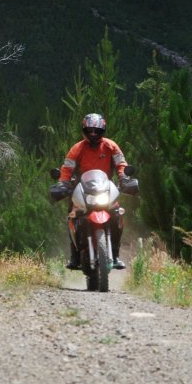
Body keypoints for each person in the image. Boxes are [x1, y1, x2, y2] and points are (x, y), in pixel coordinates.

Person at [57, 113, 128, 270]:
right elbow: (67, 168)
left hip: (105, 188)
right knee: (73, 215)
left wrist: (124, 178)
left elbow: (121, 164)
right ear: (84, 130)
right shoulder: (77, 148)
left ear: (102, 130)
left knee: (117, 213)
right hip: (82, 189)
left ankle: (115, 254)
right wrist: (63, 183)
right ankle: (74, 256)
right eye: (90, 130)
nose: (93, 134)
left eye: (96, 130)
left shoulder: (111, 146)